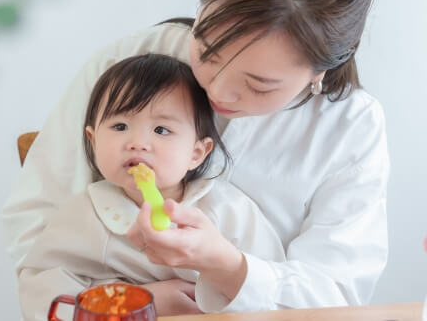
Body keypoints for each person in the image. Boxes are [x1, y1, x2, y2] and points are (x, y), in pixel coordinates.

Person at [3, 0, 389, 316]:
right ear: (202, 1)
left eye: (258, 85)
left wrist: (225, 265)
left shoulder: (351, 129)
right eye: (206, 48)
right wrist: (134, 300)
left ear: (319, 72)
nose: (217, 89)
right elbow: (36, 230)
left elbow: (335, 299)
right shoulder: (132, 62)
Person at [18, 54, 286, 321]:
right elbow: (41, 291)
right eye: (120, 126)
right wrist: (137, 301)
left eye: (161, 130)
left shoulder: (228, 208)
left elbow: (270, 288)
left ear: (197, 153)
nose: (137, 142)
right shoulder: (87, 214)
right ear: (93, 141)